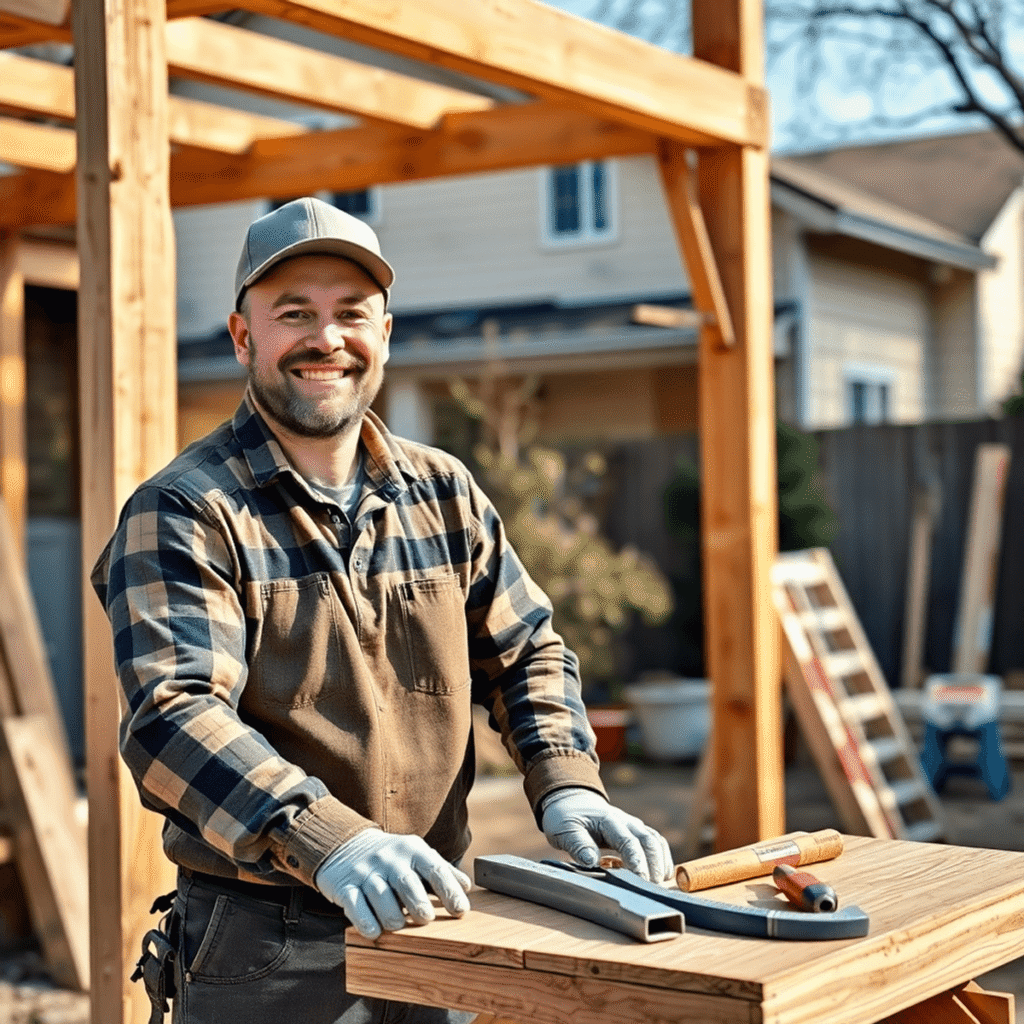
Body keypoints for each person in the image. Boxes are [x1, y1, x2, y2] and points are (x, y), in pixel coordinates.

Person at [91, 197, 674, 1024]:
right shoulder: (186, 510)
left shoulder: (445, 493)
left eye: (350, 314)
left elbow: (525, 653)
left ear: (386, 335)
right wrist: (331, 840)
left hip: (441, 911)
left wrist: (568, 785)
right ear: (242, 336)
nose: (326, 339)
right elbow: (172, 717)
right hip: (270, 942)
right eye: (295, 314)